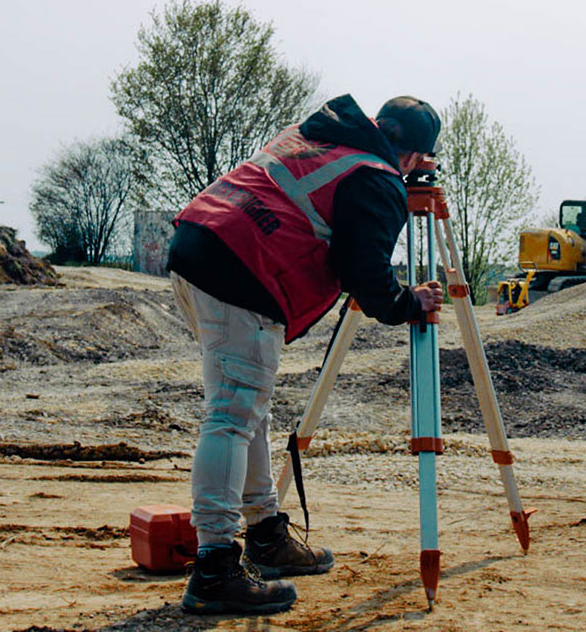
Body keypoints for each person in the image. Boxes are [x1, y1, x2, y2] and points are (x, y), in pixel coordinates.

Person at [165, 94, 445, 616]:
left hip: (198, 247)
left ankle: (265, 534)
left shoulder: (318, 135)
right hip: (239, 270)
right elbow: (366, 273)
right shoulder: (377, 175)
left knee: (246, 409)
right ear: (416, 158)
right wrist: (410, 302)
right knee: (231, 415)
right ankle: (215, 568)